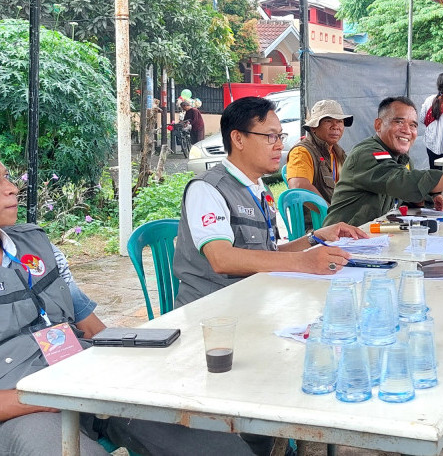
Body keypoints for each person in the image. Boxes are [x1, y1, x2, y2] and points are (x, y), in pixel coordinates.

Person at [0, 163, 265, 456]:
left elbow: (89, 324)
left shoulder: (35, 244)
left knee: (210, 442)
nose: (11, 188)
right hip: (22, 408)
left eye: (7, 177)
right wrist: (44, 397)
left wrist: (128, 368)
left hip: (86, 379)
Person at [173, 96, 367, 307]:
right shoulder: (208, 188)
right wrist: (305, 261)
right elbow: (222, 259)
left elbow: (267, 255)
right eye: (271, 137)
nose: (280, 146)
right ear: (238, 139)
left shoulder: (259, 189)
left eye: (280, 137)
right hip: (211, 311)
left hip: (253, 301)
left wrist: (314, 238)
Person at [324, 96, 443, 227]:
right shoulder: (368, 154)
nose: (407, 130)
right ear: (378, 125)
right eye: (399, 122)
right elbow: (405, 182)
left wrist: (430, 198)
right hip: (338, 241)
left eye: (413, 125)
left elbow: (405, 191)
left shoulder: (400, 158)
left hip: (366, 237)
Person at [286, 99, 352, 204]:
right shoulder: (301, 152)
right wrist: (330, 214)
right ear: (313, 127)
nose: (335, 126)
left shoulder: (338, 152)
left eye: (339, 121)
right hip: (319, 219)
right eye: (328, 121)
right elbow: (299, 187)